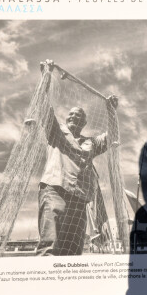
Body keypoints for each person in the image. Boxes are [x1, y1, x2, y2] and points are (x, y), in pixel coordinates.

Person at [35, 96, 118, 256]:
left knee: (73, 250)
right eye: (71, 114)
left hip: (79, 199)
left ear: (84, 123)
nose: (73, 116)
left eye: (78, 115)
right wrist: (46, 77)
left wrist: (111, 111)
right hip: (54, 191)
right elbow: (44, 108)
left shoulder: (91, 143)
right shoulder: (56, 131)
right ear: (66, 119)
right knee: (50, 246)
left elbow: (112, 136)